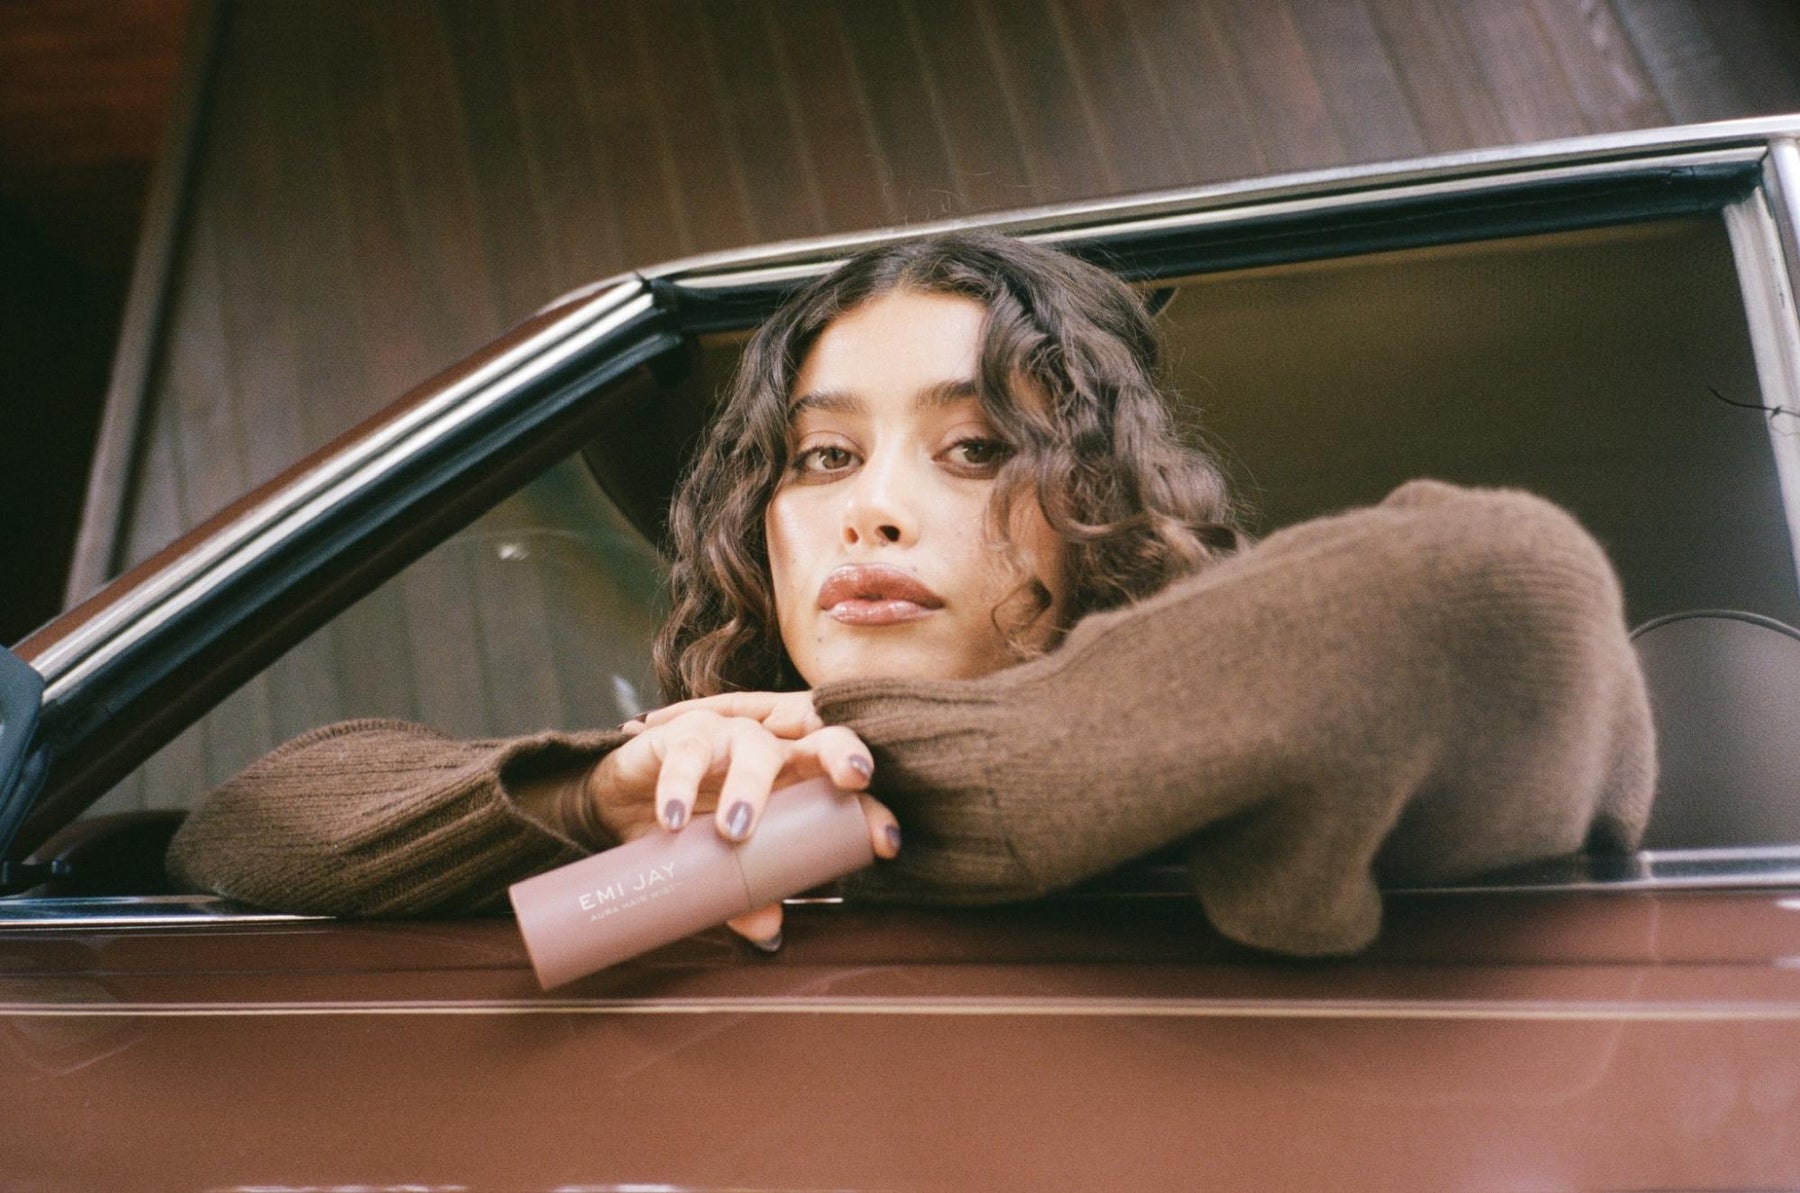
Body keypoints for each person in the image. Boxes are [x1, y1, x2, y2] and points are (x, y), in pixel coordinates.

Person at [166, 231, 1655, 957]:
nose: (872, 502)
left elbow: (1496, 586)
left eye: (978, 447)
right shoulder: (701, 794)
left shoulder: (1279, 793)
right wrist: (605, 790)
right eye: (820, 455)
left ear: (1098, 517)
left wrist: (862, 794)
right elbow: (238, 819)